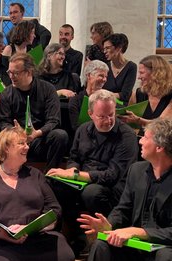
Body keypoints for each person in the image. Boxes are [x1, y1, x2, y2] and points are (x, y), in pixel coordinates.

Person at [47, 89, 138, 256]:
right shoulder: (83, 130)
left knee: (92, 192)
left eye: (111, 115)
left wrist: (77, 175)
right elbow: (74, 157)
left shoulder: (127, 136)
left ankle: (100, 238)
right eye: (102, 116)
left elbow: (113, 175)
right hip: (84, 178)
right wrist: (72, 170)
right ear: (90, 114)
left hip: (113, 187)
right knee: (56, 184)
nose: (108, 120)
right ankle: (75, 234)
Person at [0, 126, 75, 261]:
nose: (27, 147)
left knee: (66, 255)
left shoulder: (36, 175)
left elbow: (54, 210)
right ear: (6, 148)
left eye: (27, 143)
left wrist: (30, 228)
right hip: (1, 240)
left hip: (37, 236)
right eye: (21, 143)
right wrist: (4, 235)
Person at [78, 118, 172, 261]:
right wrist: (109, 224)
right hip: (135, 243)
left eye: (145, 138)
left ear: (159, 147)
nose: (140, 141)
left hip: (163, 246)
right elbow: (123, 208)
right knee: (101, 244)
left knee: (165, 256)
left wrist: (140, 232)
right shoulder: (136, 170)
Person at [0, 53, 68, 171]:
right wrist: (17, 133)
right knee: (2, 139)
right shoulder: (6, 94)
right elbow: (3, 122)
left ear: (29, 72)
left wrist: (37, 133)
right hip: (17, 139)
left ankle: (50, 177)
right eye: (9, 72)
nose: (11, 76)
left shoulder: (48, 89)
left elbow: (54, 120)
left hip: (40, 139)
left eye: (16, 73)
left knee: (60, 136)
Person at [119, 55, 172, 136]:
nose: (138, 77)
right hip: (143, 140)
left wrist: (138, 121)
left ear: (156, 74)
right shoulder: (139, 93)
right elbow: (130, 122)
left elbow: (162, 124)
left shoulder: (170, 95)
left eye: (141, 73)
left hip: (165, 142)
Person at [68, 60, 109, 132]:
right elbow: (76, 127)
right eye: (101, 75)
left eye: (106, 76)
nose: (105, 79)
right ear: (89, 75)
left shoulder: (107, 101)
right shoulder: (76, 100)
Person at [102, 33, 137, 104]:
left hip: (121, 106)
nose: (104, 51)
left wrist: (105, 95)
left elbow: (125, 95)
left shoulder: (131, 67)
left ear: (119, 48)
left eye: (107, 48)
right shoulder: (104, 66)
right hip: (104, 103)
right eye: (104, 49)